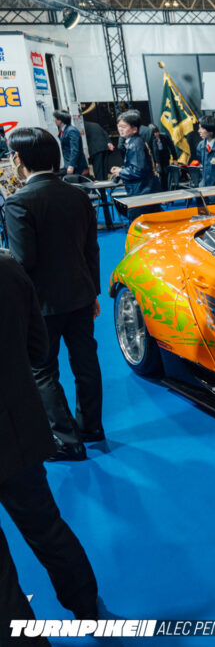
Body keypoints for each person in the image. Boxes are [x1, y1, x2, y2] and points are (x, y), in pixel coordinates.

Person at [0, 253, 100, 632]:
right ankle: (86, 608)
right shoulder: (8, 269)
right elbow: (38, 349)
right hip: (17, 430)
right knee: (46, 527)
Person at [4, 127, 103, 461]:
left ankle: (66, 439)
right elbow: (91, 249)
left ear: (20, 159)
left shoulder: (19, 202)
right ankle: (91, 428)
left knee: (43, 369)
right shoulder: (78, 195)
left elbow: (23, 261)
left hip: (41, 303)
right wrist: (93, 293)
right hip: (81, 295)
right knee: (85, 362)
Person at [110, 110, 161, 221]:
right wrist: (122, 170)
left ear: (134, 129)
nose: (120, 129)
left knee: (139, 223)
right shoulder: (134, 141)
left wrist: (120, 172)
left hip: (142, 191)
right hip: (145, 189)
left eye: (124, 126)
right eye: (119, 126)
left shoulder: (135, 144)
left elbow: (138, 170)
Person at [54, 111, 88, 177]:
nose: (54, 120)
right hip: (68, 164)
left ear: (61, 120)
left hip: (76, 166)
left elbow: (74, 149)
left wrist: (71, 165)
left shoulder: (71, 130)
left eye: (56, 118)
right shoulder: (63, 130)